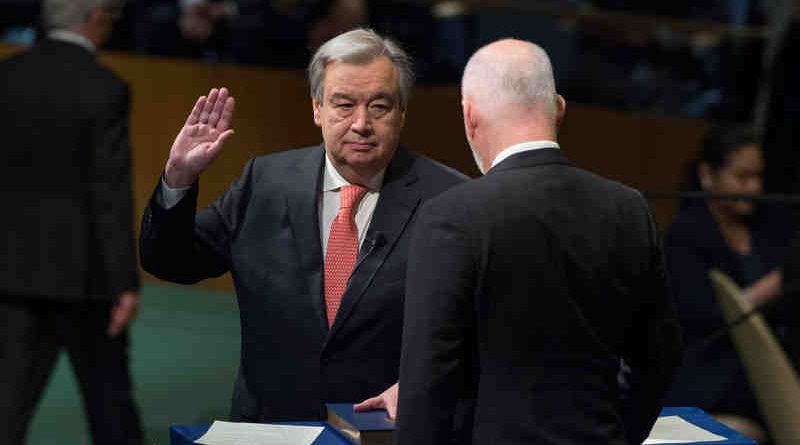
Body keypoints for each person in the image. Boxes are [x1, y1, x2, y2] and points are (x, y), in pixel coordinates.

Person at [139, 28, 467, 422]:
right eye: (343, 105)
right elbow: (171, 261)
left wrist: (419, 386)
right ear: (317, 108)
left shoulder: (449, 199)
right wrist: (178, 178)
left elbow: (481, 327)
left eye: (379, 107)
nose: (361, 123)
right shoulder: (265, 182)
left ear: (402, 113)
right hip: (272, 425)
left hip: (384, 430)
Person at [397, 39, 683, 445]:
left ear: (469, 115)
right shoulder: (628, 207)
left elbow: (427, 385)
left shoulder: (451, 216)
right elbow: (661, 356)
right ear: (559, 109)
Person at [0, 0, 142, 444]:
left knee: (6, 406)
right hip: (86, 279)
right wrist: (124, 281)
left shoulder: (5, 77)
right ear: (96, 18)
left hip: (9, 273)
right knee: (110, 407)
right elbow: (109, 193)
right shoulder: (106, 88)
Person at [663, 124, 797, 442]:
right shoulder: (686, 236)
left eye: (758, 177)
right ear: (708, 176)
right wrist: (777, 283)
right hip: (710, 377)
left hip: (767, 379)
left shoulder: (772, 229)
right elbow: (704, 317)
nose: (752, 187)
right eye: (742, 177)